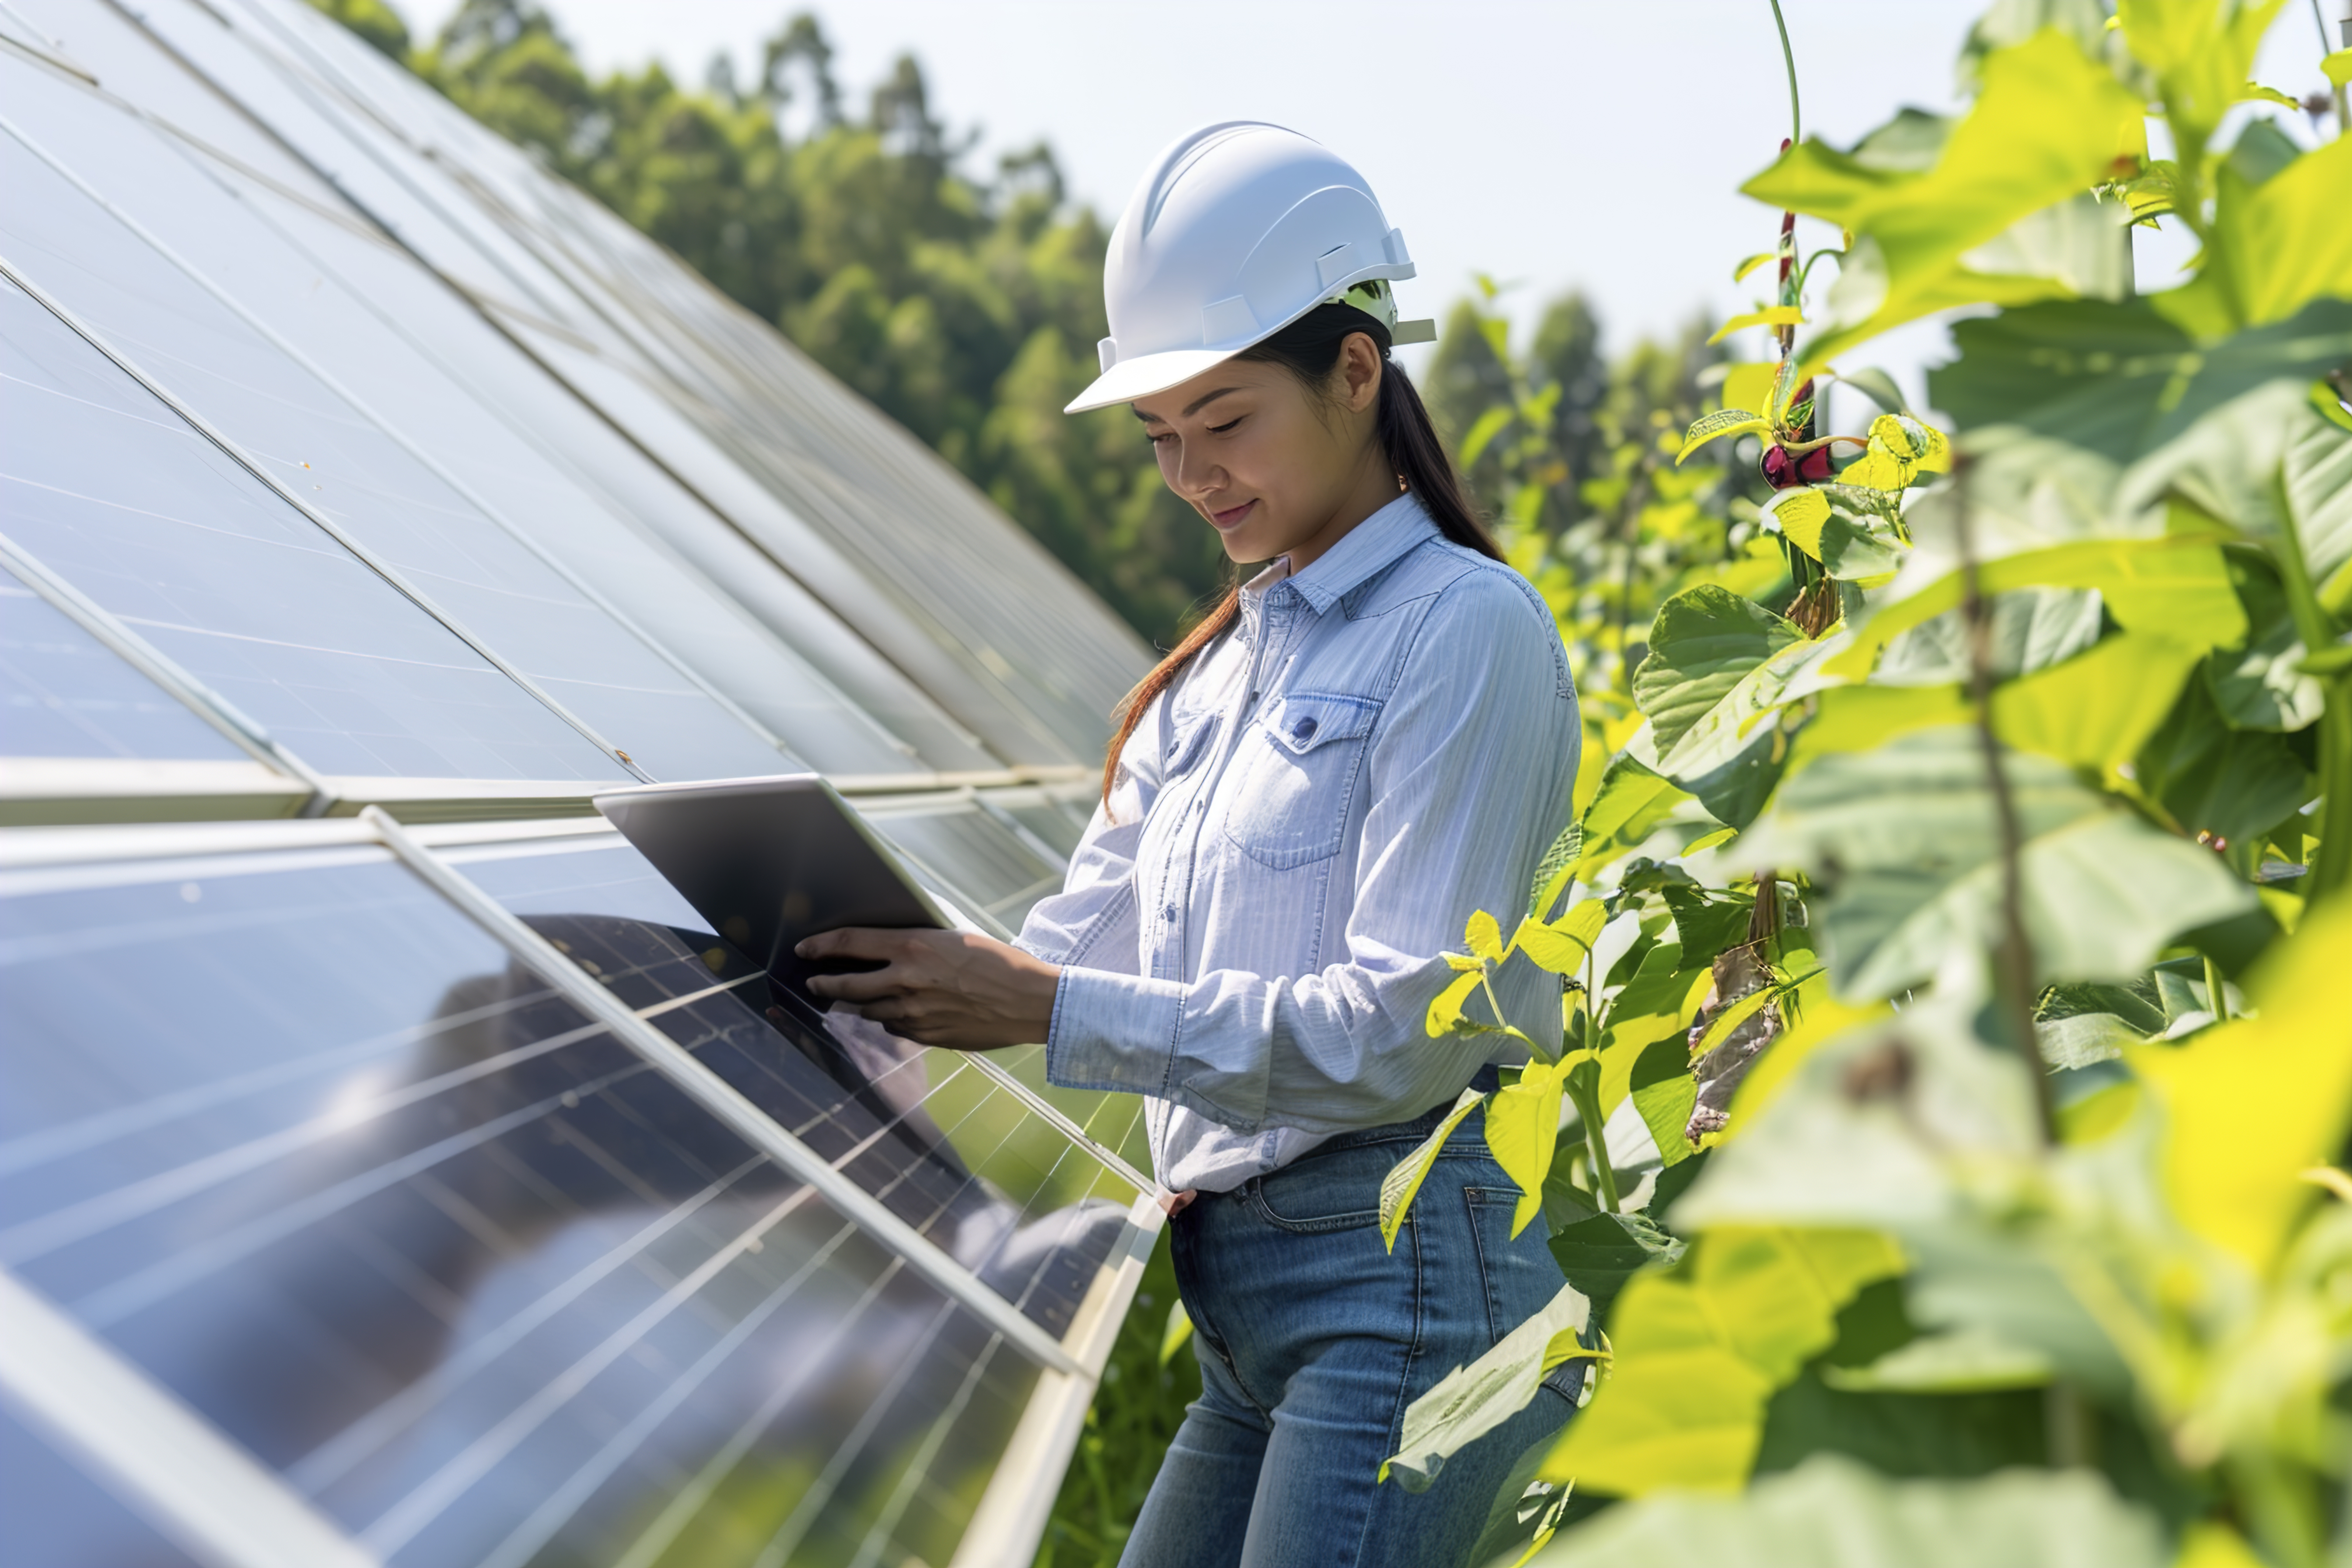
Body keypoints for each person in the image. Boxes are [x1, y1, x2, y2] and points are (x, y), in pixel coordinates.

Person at [798, 121, 1582, 1568]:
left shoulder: (1466, 630)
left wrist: (1046, 1009)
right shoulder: (1211, 681)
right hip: (1243, 1298)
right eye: (1160, 437)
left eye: (1225, 422)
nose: (1191, 475)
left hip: (1400, 1268)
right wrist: (848, 971)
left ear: (1356, 373)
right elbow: (1062, 950)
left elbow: (1411, 1028)